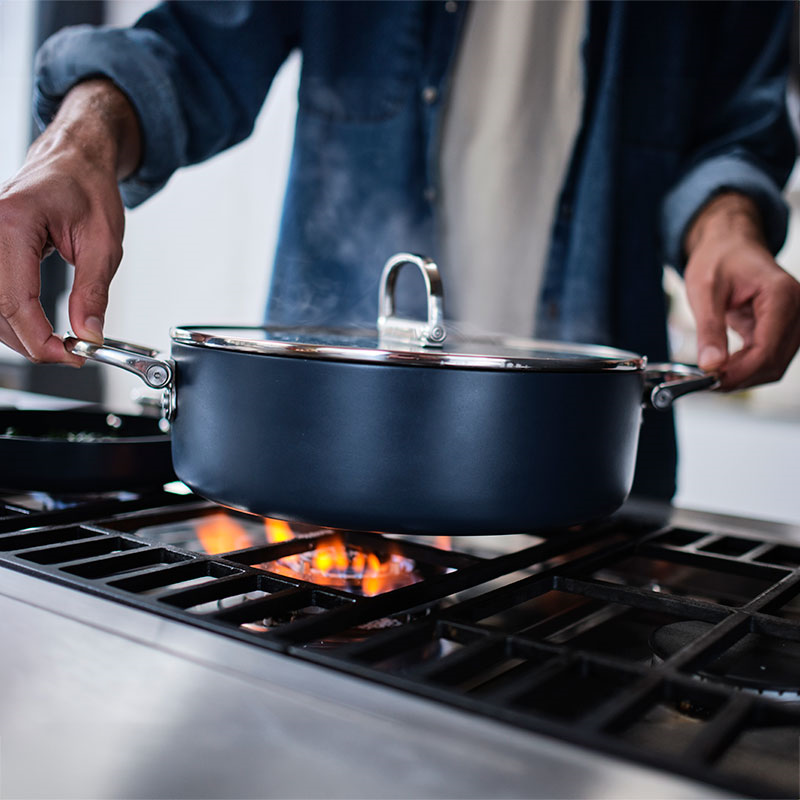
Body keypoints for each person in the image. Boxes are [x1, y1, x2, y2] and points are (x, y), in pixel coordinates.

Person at [0, 0, 799, 500]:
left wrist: (728, 229)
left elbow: (737, 129)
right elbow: (195, 46)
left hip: (589, 506)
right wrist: (79, 143)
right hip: (323, 499)